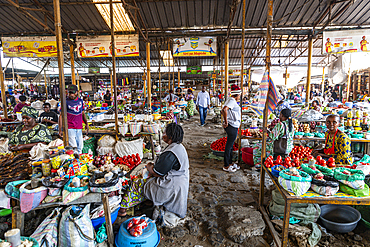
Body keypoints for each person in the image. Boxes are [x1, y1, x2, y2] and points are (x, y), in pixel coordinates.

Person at [120, 123, 189, 218]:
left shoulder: (170, 153)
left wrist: (148, 166)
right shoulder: (178, 147)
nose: (163, 134)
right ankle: (148, 201)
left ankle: (123, 209)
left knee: (138, 183)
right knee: (147, 180)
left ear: (171, 136)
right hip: (178, 182)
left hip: (170, 187)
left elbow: (156, 173)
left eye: (165, 132)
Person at [59, 84, 89, 154]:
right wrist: (60, 129)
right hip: (70, 127)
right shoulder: (65, 101)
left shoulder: (80, 101)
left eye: (73, 93)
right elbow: (61, 115)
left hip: (79, 127)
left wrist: (86, 124)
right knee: (74, 147)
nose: (71, 95)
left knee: (80, 147)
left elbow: (82, 113)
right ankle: (76, 162)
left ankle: (80, 163)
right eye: (70, 93)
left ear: (76, 92)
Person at [221, 85, 241, 172]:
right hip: (232, 126)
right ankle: (226, 165)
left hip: (231, 125)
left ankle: (229, 163)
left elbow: (222, 110)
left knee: (230, 145)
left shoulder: (229, 99)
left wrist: (226, 120)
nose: (240, 96)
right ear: (237, 95)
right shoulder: (232, 101)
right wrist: (226, 122)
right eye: (239, 95)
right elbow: (224, 110)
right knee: (229, 146)